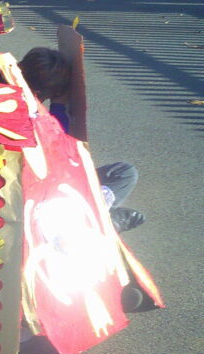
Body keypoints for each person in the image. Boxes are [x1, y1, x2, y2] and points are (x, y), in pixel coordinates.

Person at [19, 47, 144, 233]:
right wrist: (58, 107)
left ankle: (94, 213)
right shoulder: (32, 116)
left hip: (45, 183)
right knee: (125, 173)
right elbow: (57, 142)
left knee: (125, 172)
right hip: (41, 186)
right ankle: (94, 217)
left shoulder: (7, 97)